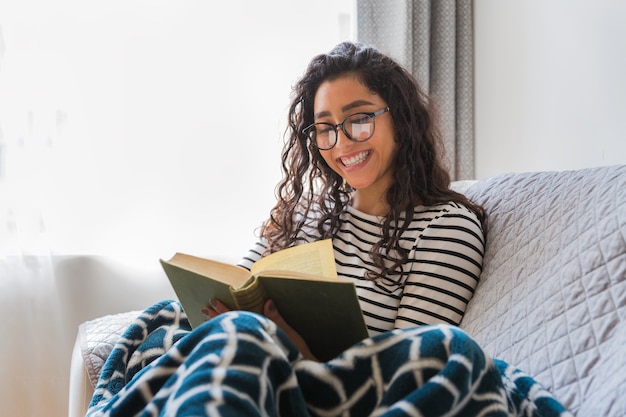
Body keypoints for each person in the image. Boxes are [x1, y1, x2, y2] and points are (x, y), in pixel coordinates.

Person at [86, 42, 570, 416]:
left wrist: (298, 353)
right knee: (190, 323)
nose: (341, 143)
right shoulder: (304, 214)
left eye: (358, 120)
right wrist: (215, 315)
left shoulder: (445, 227)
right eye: (325, 127)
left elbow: (412, 362)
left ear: (398, 119)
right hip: (248, 372)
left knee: (246, 336)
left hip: (333, 394)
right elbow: (239, 290)